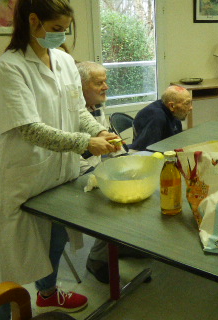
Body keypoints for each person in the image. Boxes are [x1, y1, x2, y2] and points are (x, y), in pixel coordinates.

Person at [0, 0, 120, 319]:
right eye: (57, 26)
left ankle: (48, 294)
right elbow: (29, 130)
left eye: (67, 27)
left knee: (55, 239)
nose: (64, 33)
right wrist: (85, 144)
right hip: (21, 174)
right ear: (33, 22)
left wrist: (97, 132)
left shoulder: (62, 61)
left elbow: (77, 110)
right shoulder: (10, 67)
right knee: (9, 264)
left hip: (57, 173)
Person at [76, 61, 139, 284]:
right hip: (74, 173)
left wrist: (125, 163)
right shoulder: (71, 113)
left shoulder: (96, 107)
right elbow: (77, 159)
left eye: (105, 81)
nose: (106, 87)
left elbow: (110, 141)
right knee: (114, 200)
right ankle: (97, 259)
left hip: (92, 167)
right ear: (79, 85)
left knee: (133, 186)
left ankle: (119, 245)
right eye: (99, 83)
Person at [129, 85, 193, 151]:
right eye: (187, 103)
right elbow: (148, 149)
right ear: (171, 106)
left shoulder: (173, 111)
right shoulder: (156, 117)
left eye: (190, 102)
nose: (191, 108)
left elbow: (177, 141)